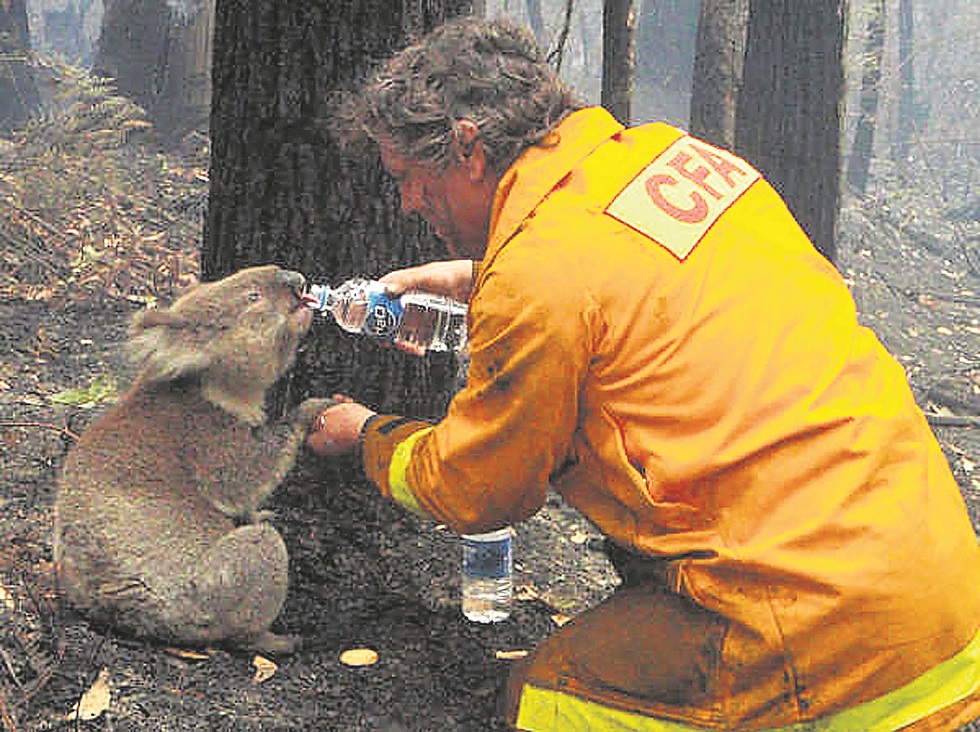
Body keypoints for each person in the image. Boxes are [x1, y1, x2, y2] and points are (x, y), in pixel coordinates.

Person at [309, 16, 980, 731]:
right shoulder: (677, 160)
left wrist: (368, 435)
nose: (410, 204)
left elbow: (479, 487)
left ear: (469, 150)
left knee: (548, 700)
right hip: (941, 593)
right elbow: (639, 290)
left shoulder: (541, 278)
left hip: (818, 633)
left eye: (409, 179)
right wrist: (480, 280)